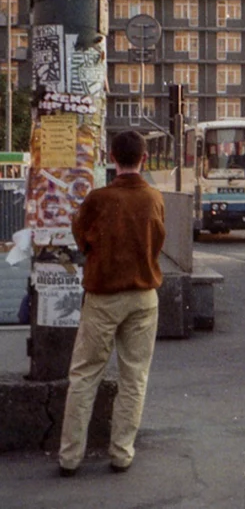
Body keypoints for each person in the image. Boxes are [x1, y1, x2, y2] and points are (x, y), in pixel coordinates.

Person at [59, 130, 166, 477]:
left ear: (112, 157)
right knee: (134, 377)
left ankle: (70, 457)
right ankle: (121, 453)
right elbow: (158, 243)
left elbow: (81, 238)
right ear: (144, 159)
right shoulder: (154, 198)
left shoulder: (97, 200)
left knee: (84, 375)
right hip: (143, 299)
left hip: (103, 298)